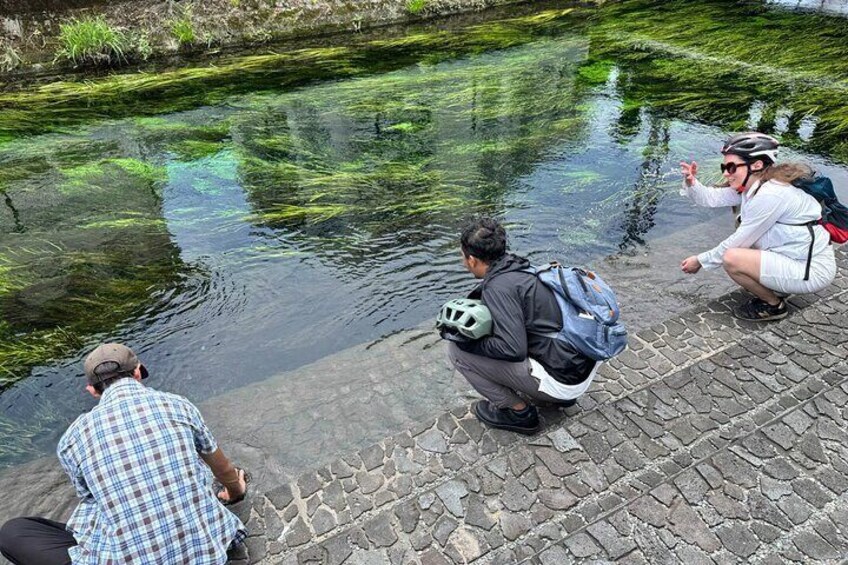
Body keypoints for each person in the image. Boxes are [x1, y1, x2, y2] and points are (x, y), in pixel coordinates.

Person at [0, 343, 248, 565]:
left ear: (92, 390)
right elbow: (222, 469)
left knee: (13, 533)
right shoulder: (178, 405)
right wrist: (235, 491)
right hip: (208, 552)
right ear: (138, 371)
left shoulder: (73, 439)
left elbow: (90, 500)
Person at [443, 217, 597, 435]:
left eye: (463, 257)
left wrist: (470, 345)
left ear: (472, 260)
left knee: (457, 351)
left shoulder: (498, 288)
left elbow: (513, 350)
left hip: (565, 380)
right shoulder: (524, 268)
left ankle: (518, 412)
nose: (463, 262)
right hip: (580, 366)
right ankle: (558, 397)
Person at [680, 132, 836, 321]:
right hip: (793, 258)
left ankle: (774, 305)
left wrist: (700, 261)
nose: (725, 173)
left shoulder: (772, 194)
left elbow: (738, 241)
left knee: (732, 258)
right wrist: (691, 183)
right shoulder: (756, 186)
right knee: (740, 247)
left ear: (756, 165)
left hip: (810, 271)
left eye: (731, 167)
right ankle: (778, 287)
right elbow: (711, 198)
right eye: (724, 167)